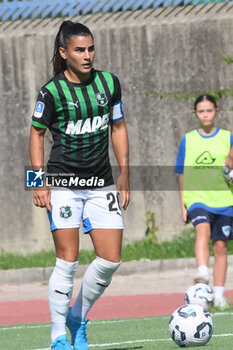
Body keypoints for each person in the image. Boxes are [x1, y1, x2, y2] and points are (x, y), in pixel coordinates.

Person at [29, 21, 130, 350]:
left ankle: (77, 315)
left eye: (90, 48)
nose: (87, 55)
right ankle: (58, 334)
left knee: (111, 259)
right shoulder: (51, 92)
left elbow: (118, 127)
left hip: (102, 182)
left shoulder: (108, 83)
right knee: (68, 260)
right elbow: (36, 134)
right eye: (79, 50)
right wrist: (37, 181)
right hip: (64, 184)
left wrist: (125, 173)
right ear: (64, 53)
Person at [175, 94, 233, 310]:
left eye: (209, 110)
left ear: (216, 111)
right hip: (197, 198)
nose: (205, 114)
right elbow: (181, 172)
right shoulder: (187, 139)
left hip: (225, 199)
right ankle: (203, 272)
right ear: (195, 114)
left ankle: (218, 295)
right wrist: (182, 203)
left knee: (220, 246)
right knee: (203, 231)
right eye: (201, 111)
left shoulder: (228, 137)